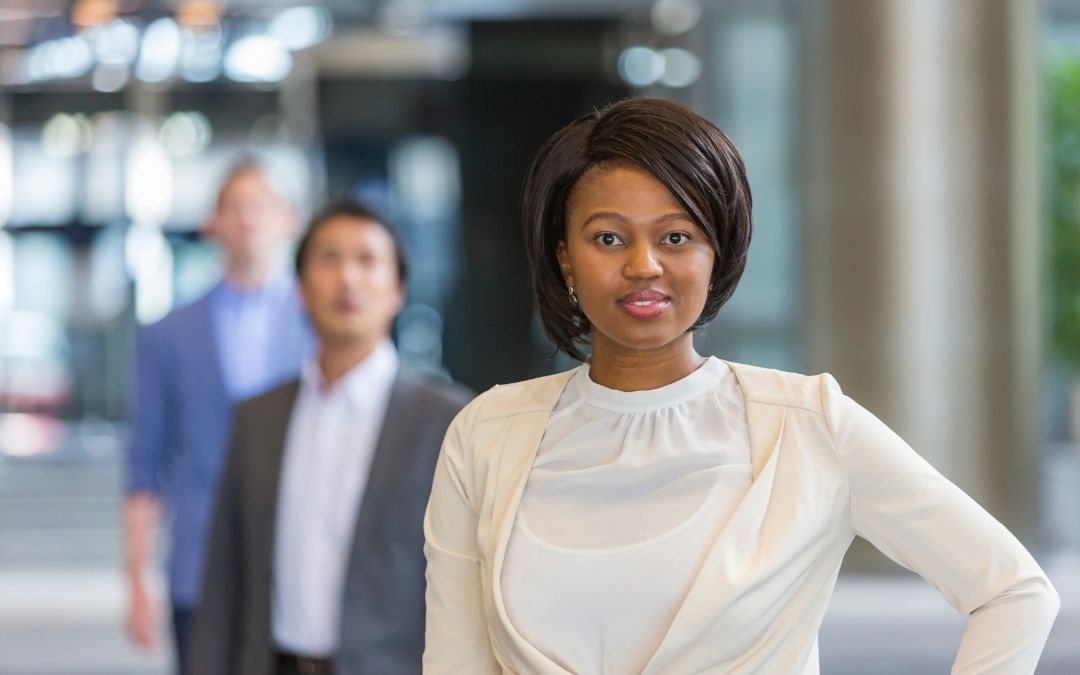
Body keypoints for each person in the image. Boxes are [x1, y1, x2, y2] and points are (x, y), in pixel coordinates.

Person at [422, 98, 1060, 674]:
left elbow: (1013, 592)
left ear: (717, 252)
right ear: (564, 257)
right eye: (608, 238)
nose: (643, 265)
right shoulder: (487, 434)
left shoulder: (808, 424)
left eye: (677, 237)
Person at [189, 200, 473, 675]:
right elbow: (224, 576)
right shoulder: (257, 416)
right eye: (329, 259)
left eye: (367, 260)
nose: (348, 279)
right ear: (299, 289)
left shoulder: (449, 420)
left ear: (398, 289)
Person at [123, 159, 311, 673]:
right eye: (233, 206)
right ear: (212, 224)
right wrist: (137, 581)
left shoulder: (318, 327)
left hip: (293, 558)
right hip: (197, 564)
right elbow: (144, 463)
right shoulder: (167, 334)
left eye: (260, 205)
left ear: (288, 220)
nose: (247, 218)